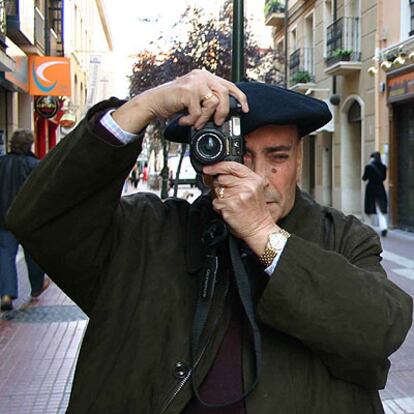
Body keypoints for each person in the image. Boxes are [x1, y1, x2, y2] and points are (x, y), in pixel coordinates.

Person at [6, 70, 412, 413]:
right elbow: (42, 220)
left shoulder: (342, 237)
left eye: (278, 157)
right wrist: (142, 107)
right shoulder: (149, 233)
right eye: (241, 156)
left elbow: (379, 329)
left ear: (300, 159)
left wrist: (263, 236)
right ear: (206, 164)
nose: (259, 178)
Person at [0, 129, 49, 311]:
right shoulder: (35, 165)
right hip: (28, 219)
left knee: (5, 254)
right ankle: (36, 287)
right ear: (30, 144)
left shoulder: (1, 163)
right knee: (33, 253)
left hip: (4, 218)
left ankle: (6, 294)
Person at [362, 151, 389, 237]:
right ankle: (384, 228)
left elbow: (364, 178)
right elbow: (384, 178)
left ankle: (367, 228)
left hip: (371, 189)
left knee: (369, 211)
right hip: (380, 189)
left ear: (372, 158)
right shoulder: (384, 167)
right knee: (380, 210)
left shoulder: (369, 167)